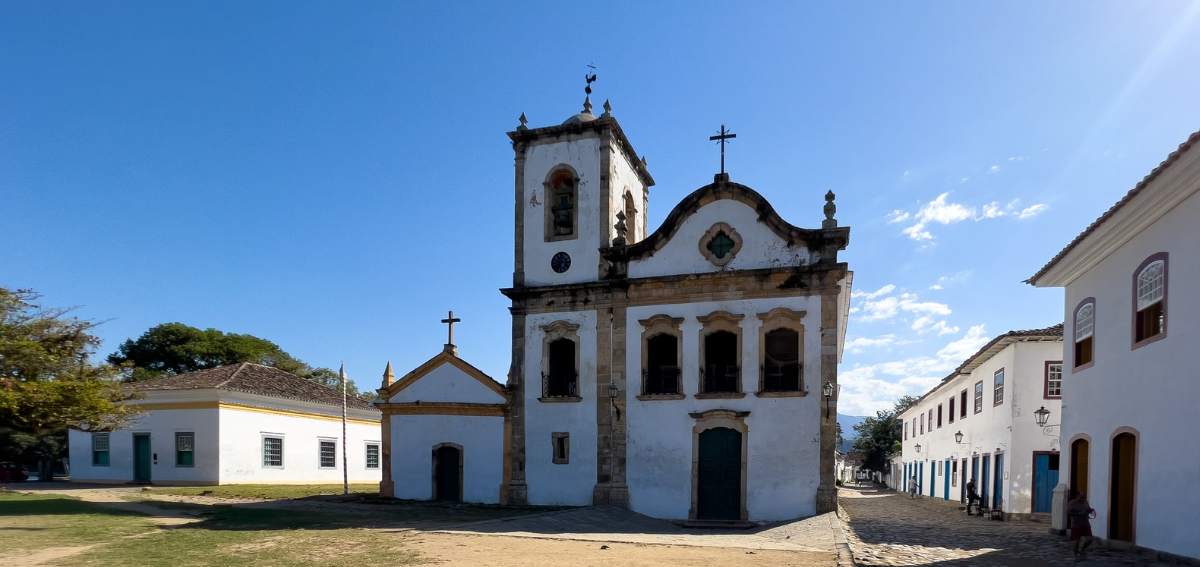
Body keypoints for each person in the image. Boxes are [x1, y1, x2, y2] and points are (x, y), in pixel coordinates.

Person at [1067, 490, 1095, 561]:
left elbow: (1088, 509)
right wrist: (1079, 513)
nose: (1083, 498)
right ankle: (1076, 555)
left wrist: (1091, 510)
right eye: (1081, 496)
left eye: (1084, 496)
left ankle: (1082, 549)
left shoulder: (1085, 502)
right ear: (1077, 496)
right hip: (1076, 524)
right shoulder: (1072, 503)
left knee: (1090, 539)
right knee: (1076, 542)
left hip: (1085, 523)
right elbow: (1068, 513)